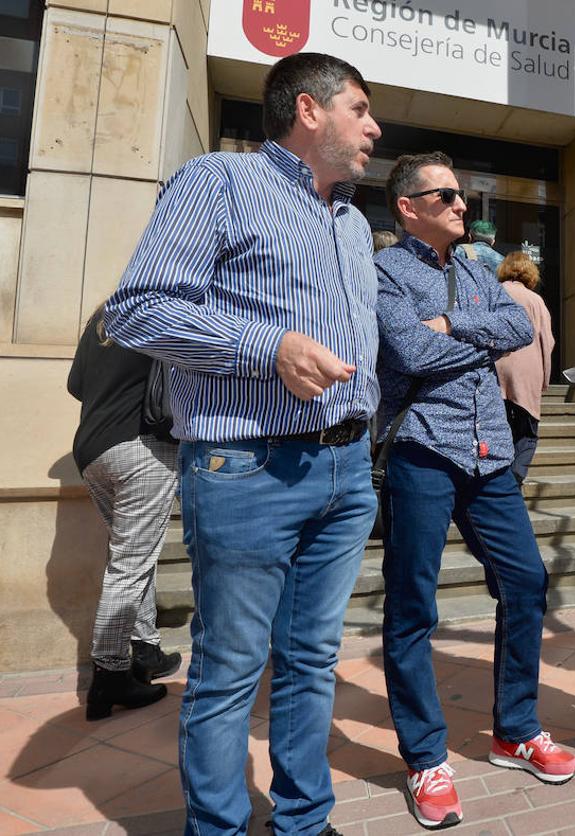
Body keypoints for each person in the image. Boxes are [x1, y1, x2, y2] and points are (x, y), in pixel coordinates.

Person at [104, 52, 382, 836]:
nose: (374, 126)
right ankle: (219, 828)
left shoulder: (356, 222)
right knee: (228, 671)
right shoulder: (217, 183)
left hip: (346, 469)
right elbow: (138, 311)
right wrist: (269, 349)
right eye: (359, 108)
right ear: (308, 110)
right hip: (247, 466)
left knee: (311, 661)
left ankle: (303, 820)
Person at [375, 152, 575, 830]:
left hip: (490, 451)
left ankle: (514, 729)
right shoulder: (385, 271)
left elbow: (518, 329)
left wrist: (451, 327)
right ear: (409, 206)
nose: (465, 206)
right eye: (448, 196)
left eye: (463, 195)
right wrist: (470, 337)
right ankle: (425, 756)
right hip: (422, 452)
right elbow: (407, 354)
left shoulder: (479, 269)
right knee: (412, 605)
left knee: (525, 582)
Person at [68, 306, 182, 721]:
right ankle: (110, 673)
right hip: (141, 447)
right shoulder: (160, 311)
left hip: (92, 450)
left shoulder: (101, 319)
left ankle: (146, 649)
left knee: (134, 555)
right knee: (130, 564)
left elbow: (75, 385)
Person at [494, 250, 554, 485]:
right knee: (527, 433)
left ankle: (498, 479)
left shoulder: (495, 293)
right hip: (527, 373)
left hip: (495, 370)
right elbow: (546, 341)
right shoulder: (535, 300)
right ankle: (514, 478)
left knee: (500, 430)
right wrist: (544, 379)